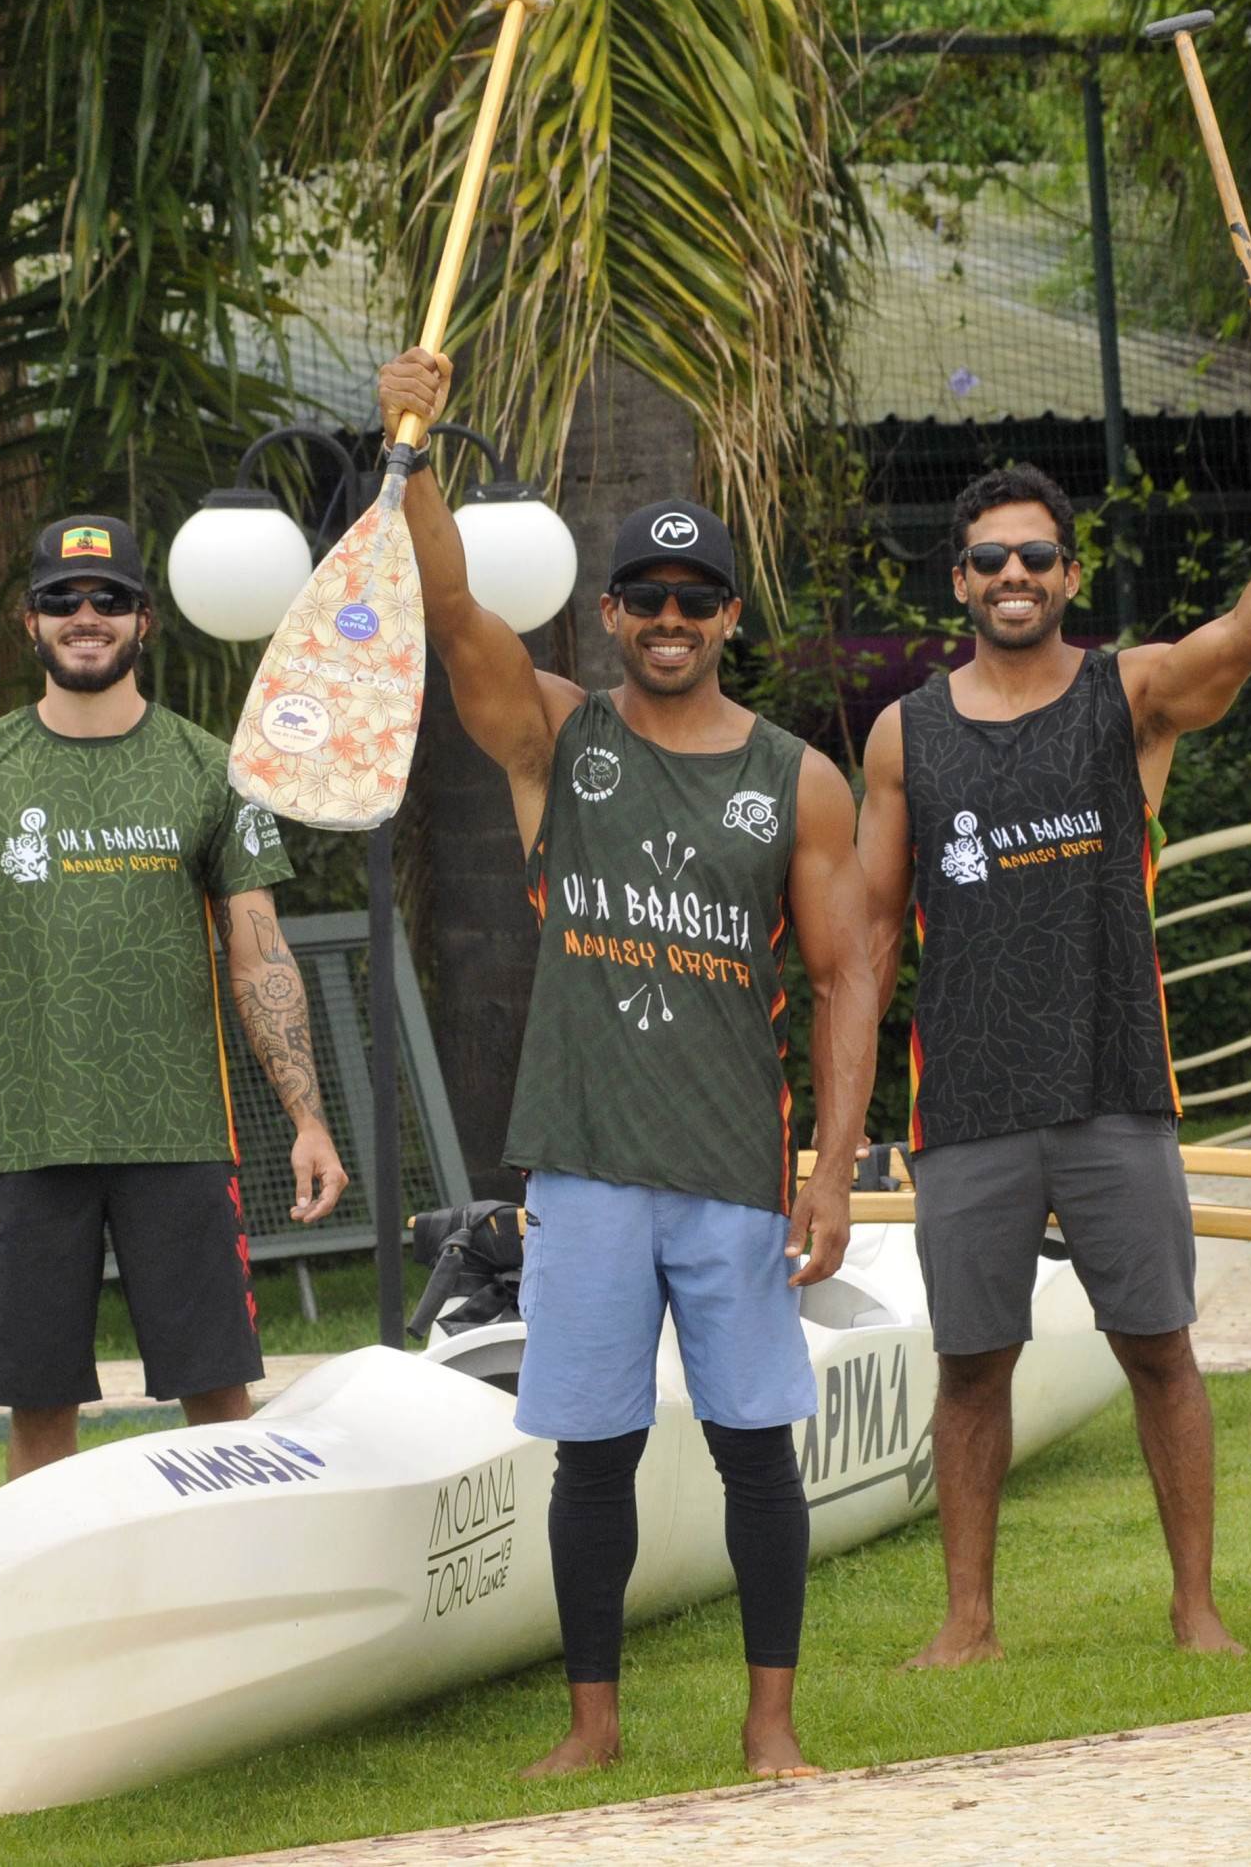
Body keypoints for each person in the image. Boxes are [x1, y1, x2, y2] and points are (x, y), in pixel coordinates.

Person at [376, 347, 878, 1781]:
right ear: (607, 615)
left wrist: (831, 1172)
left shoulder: (800, 778)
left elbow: (845, 979)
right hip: (584, 1169)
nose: (668, 620)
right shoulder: (556, 736)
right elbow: (451, 606)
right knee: (588, 1456)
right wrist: (407, 454)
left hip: (726, 1171)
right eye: (643, 600)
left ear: (727, 618)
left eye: (693, 601)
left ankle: (769, 1725)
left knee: (750, 1452)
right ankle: (591, 1728)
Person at [858, 454, 1251, 1668]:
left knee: (1158, 1348)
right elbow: (869, 935)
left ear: (1068, 573)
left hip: (1114, 1087)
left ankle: (1195, 1608)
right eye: (989, 558)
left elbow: (1241, 638)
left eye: (1035, 555)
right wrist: (841, 1106)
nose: (1013, 574)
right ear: (959, 580)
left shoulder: (1124, 695)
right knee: (972, 1369)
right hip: (967, 1103)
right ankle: (966, 1623)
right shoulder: (902, 733)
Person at [0, 513, 349, 1480]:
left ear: (144, 620)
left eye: (109, 599)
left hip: (178, 1135)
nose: (85, 616)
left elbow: (258, 954)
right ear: (29, 621)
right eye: (61, 599)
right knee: (36, 1416)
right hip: (23, 1137)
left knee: (219, 1400)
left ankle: (241, 1602)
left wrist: (308, 1115)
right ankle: (48, 1620)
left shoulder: (214, 768)